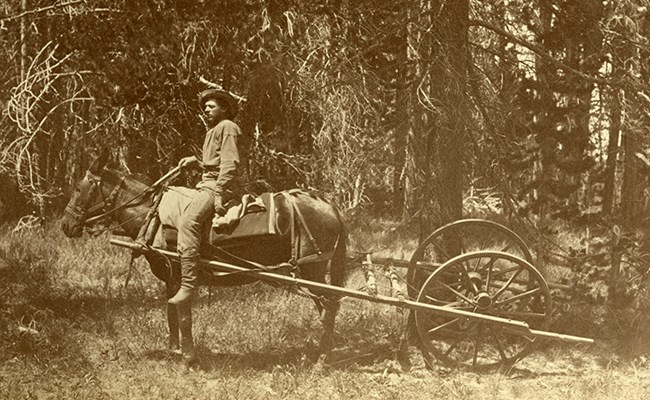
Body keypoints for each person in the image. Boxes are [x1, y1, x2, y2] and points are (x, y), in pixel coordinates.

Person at [169, 88, 241, 305]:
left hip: (218, 187)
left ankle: (188, 285)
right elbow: (213, 164)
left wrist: (219, 193)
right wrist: (196, 162)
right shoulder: (213, 130)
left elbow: (230, 164)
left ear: (225, 108)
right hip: (208, 184)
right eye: (205, 107)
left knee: (188, 223)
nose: (206, 110)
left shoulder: (227, 127)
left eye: (212, 106)